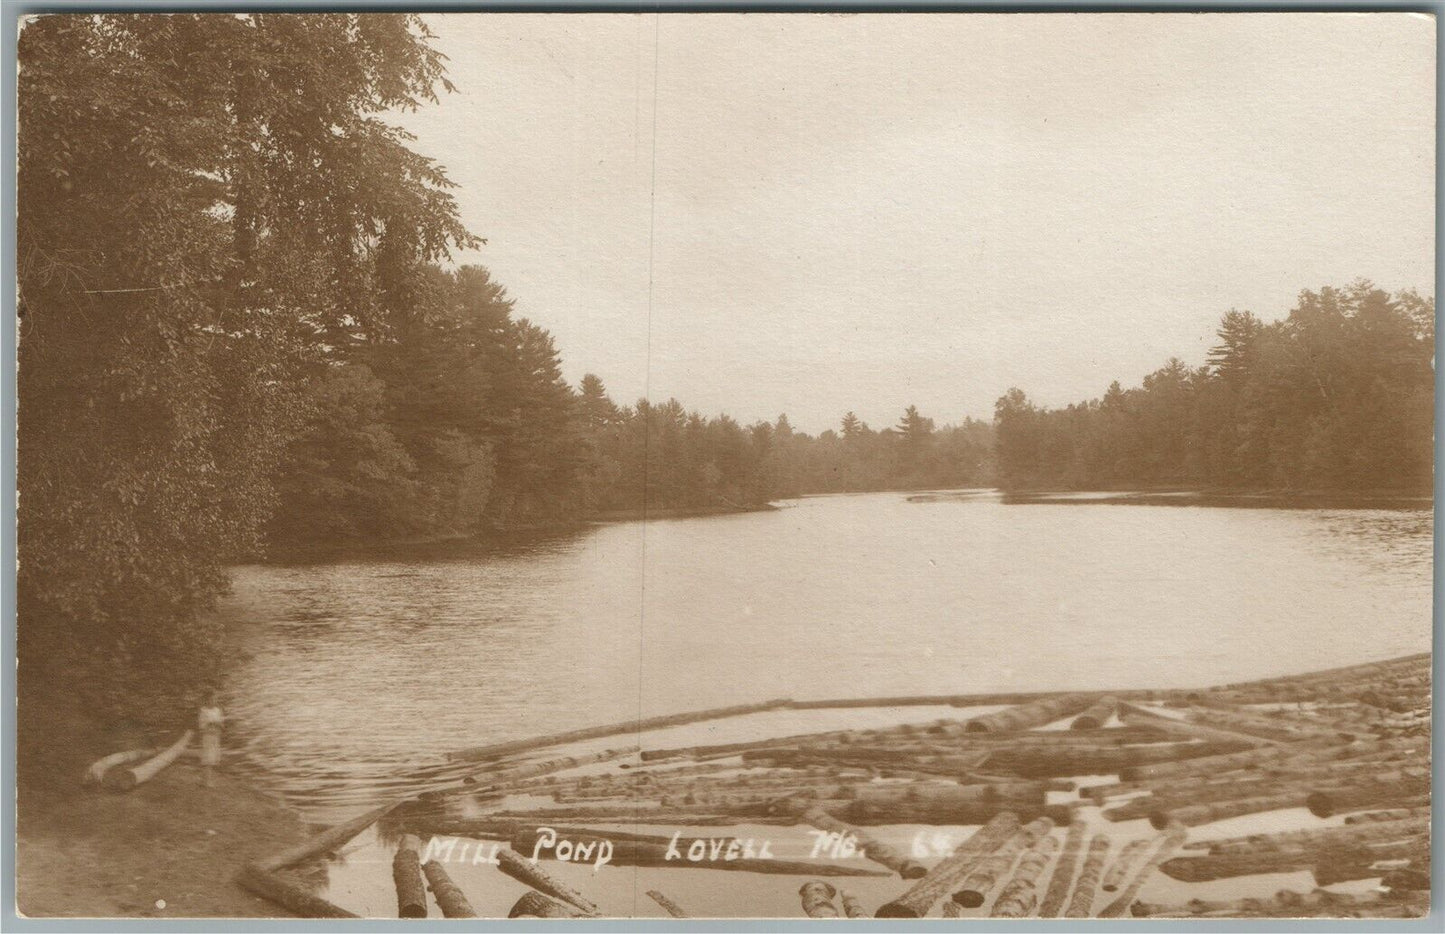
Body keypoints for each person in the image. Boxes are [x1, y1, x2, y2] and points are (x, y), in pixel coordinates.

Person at [197, 690, 225, 787]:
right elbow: (201, 727)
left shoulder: (217, 710)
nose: (214, 701)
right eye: (211, 699)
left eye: (215, 699)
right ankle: (207, 781)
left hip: (215, 736)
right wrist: (210, 724)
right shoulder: (203, 711)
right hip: (208, 736)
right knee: (208, 758)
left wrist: (219, 725)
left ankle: (206, 779)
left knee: (213, 758)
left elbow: (222, 724)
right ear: (207, 700)